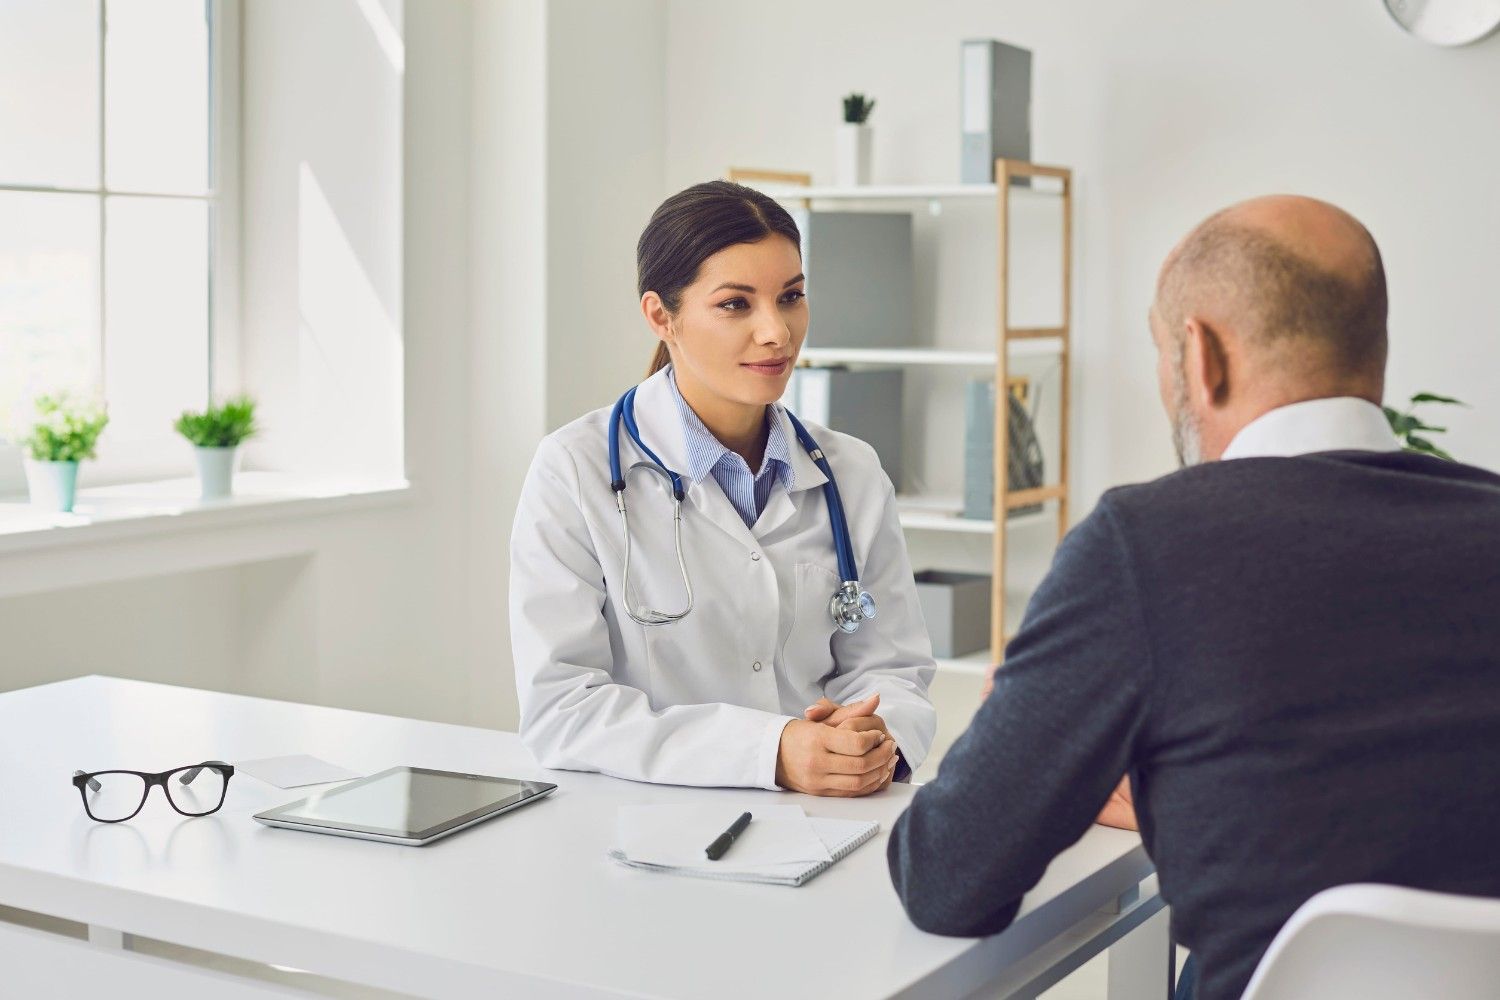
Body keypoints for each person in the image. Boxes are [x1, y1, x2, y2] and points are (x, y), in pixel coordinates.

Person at [886, 194, 1500, 1000]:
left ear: (1200, 356)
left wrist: (1139, 781)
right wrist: (1203, 788)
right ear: (1374, 351)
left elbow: (947, 877)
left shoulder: (1143, 548)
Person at [510, 180, 936, 796]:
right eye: (737, 304)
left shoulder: (852, 473)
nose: (777, 332)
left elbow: (891, 666)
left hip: (829, 817)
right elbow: (562, 708)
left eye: (791, 297)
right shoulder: (574, 471)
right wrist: (771, 752)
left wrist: (873, 738)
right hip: (648, 822)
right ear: (662, 316)